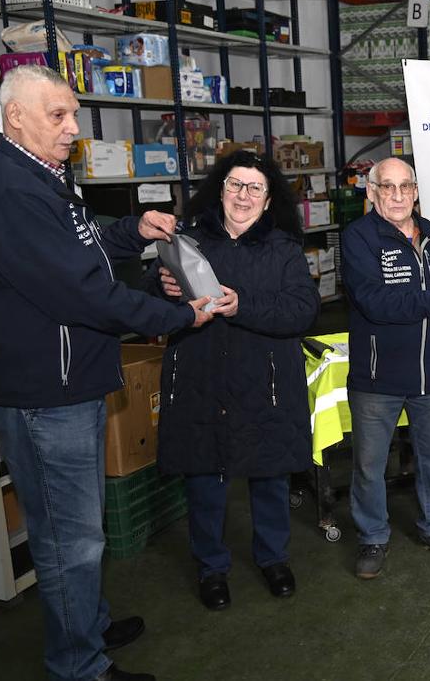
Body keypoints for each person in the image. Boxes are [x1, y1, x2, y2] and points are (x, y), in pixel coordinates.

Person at [0, 64, 212, 681]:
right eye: (58, 116)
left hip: (67, 384)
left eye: (73, 113)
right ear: (14, 117)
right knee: (69, 539)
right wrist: (178, 315)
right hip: (45, 393)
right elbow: (83, 294)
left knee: (77, 527)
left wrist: (133, 229)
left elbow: (81, 239)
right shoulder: (12, 192)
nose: (73, 127)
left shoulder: (40, 176)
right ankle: (79, 666)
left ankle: (89, 625)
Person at [153, 150, 319, 610]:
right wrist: (163, 290)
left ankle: (274, 558)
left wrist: (242, 305)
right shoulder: (189, 240)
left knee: (269, 472)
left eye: (254, 188)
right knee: (205, 474)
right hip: (201, 374)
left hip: (264, 379)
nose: (243, 195)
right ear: (219, 190)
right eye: (234, 184)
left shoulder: (284, 248)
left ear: (268, 201)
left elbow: (301, 310)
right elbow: (154, 297)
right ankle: (212, 567)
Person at [342, 157, 430, 579]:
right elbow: (376, 304)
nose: (398, 195)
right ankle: (372, 537)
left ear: (416, 190)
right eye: (387, 187)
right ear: (371, 192)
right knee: (369, 464)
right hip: (377, 378)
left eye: (405, 186)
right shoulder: (359, 239)